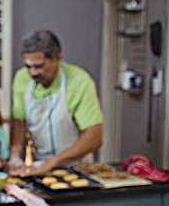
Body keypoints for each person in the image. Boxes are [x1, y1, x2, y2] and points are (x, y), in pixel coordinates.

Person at [9, 30, 103, 176]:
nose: (32, 73)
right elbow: (19, 124)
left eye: (39, 66)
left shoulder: (79, 81)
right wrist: (15, 156)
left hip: (77, 167)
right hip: (39, 167)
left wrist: (51, 163)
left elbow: (94, 138)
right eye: (28, 67)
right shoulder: (22, 79)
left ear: (58, 58)